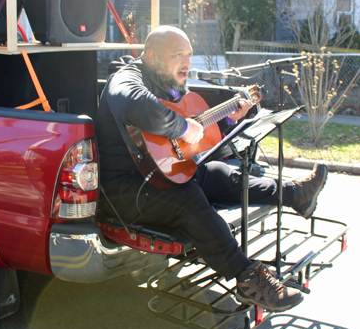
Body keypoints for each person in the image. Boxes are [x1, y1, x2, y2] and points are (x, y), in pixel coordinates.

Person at [95, 26, 328, 313]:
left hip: (158, 175)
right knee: (189, 198)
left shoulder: (167, 81)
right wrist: (181, 126)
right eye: (177, 55)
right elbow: (135, 102)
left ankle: (296, 194)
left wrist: (228, 119)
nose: (187, 63)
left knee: (217, 172)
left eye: (189, 55)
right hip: (126, 190)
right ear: (152, 56)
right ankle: (248, 280)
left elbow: (185, 139)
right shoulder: (126, 78)